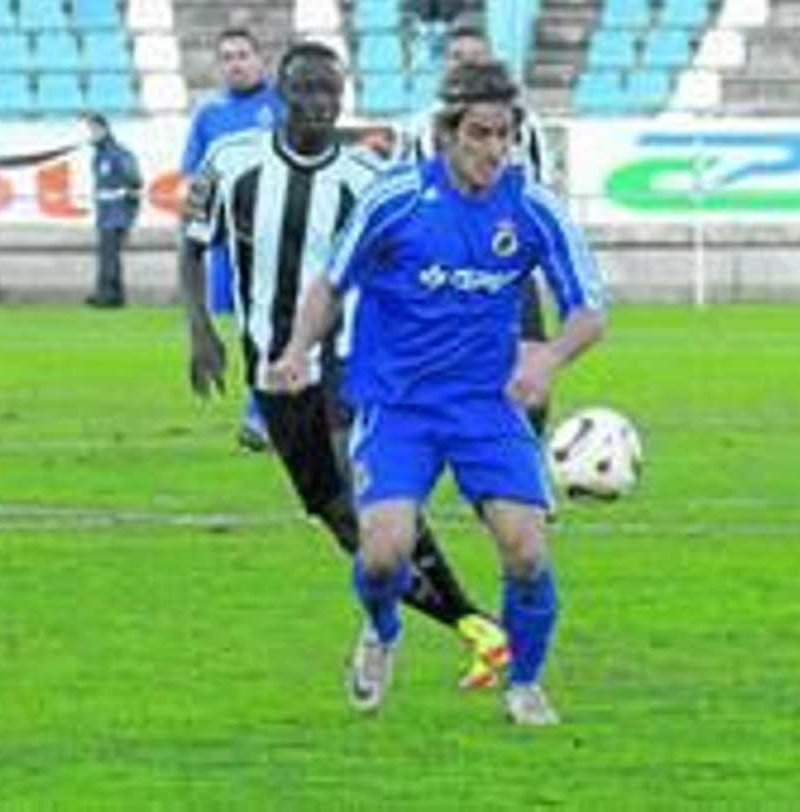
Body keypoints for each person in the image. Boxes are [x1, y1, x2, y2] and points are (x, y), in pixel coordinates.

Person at [268, 60, 609, 724]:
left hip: (487, 406)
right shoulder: (396, 201)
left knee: (526, 550)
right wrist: (295, 349)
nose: (494, 150)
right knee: (383, 554)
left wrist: (549, 358)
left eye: (504, 134)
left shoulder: (532, 207)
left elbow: (590, 310)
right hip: (399, 406)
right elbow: (331, 284)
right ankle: (382, 629)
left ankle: (525, 685)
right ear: (447, 134)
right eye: (480, 133)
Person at [178, 41, 510, 698]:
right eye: (305, 89)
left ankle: (473, 628)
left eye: (329, 91)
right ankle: (420, 623)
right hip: (272, 369)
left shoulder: (368, 178)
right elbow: (192, 248)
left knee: (372, 502)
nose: (319, 103)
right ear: (281, 94)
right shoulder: (232, 162)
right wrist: (201, 332)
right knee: (339, 518)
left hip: (354, 363)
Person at [398, 22, 556, 438]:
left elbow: (539, 193)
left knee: (529, 370)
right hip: (439, 274)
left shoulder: (526, 126)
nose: (465, 65)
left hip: (506, 269)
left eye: (474, 58)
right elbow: (404, 199)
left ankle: (528, 457)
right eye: (457, 58)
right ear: (445, 67)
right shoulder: (418, 127)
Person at [181, 26, 287, 452]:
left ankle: (260, 414)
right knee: (253, 326)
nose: (236, 64)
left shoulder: (284, 106)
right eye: (227, 57)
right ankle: (266, 409)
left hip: (282, 237)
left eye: (243, 55)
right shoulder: (209, 116)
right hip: (231, 243)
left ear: (261, 60)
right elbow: (195, 178)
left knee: (278, 324)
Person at [80, 112, 141, 309]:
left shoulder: (118, 153)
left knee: (109, 255)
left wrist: (128, 209)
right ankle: (115, 296)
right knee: (109, 254)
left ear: (104, 129)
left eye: (93, 130)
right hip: (105, 212)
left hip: (117, 212)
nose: (90, 135)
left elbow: (135, 180)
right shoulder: (99, 155)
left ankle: (106, 295)